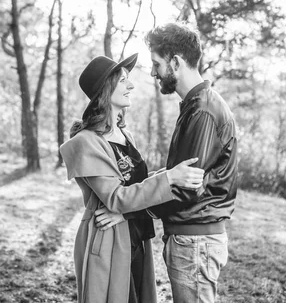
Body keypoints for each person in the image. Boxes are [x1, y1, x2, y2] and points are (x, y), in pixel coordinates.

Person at [60, 53, 205, 303]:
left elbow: (137, 185)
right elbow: (116, 197)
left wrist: (171, 174)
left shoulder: (125, 135)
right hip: (108, 241)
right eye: (123, 80)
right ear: (105, 89)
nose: (131, 85)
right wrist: (169, 178)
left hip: (135, 234)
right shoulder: (87, 143)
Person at [145, 23, 239, 303]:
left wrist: (132, 205)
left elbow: (185, 188)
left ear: (175, 62)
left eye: (156, 64)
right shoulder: (195, 106)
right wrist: (152, 181)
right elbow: (178, 176)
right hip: (191, 240)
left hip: (194, 242)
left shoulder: (202, 112)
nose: (153, 72)